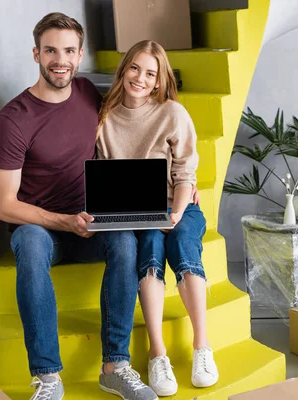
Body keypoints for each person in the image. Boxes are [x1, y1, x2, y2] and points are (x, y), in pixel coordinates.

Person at [0, 13, 158, 400]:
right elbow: (3, 204)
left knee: (125, 241)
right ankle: (47, 377)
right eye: (50, 50)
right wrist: (63, 221)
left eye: (68, 50)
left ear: (80, 55)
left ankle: (115, 366)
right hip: (40, 226)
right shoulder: (12, 120)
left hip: (87, 220)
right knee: (30, 246)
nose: (59, 59)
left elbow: (133, 134)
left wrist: (184, 181)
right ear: (36, 54)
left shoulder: (86, 93)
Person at [96, 40, 219, 397]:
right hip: (134, 211)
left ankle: (202, 347)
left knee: (181, 243)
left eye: (150, 73)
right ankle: (157, 353)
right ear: (124, 69)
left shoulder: (172, 114)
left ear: (159, 80)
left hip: (179, 206)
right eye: (135, 68)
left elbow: (185, 177)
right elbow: (102, 174)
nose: (140, 78)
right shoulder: (104, 117)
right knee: (149, 247)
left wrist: (176, 212)